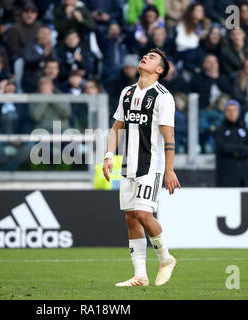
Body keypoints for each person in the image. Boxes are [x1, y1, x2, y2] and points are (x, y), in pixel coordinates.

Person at [103, 48, 180, 287]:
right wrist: (108, 155)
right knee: (131, 218)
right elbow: (116, 128)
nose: (145, 56)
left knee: (144, 214)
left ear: (159, 70)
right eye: (145, 54)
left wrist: (169, 170)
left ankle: (166, 259)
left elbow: (169, 137)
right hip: (128, 165)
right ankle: (140, 275)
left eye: (153, 57)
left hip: (151, 166)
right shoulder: (127, 92)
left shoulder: (163, 96)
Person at [214, 100, 248, 187]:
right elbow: (223, 148)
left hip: (243, 177)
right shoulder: (219, 131)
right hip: (225, 176)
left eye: (234, 110)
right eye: (229, 110)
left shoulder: (246, 130)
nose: (231, 113)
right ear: (225, 112)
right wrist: (242, 147)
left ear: (239, 112)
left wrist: (233, 150)